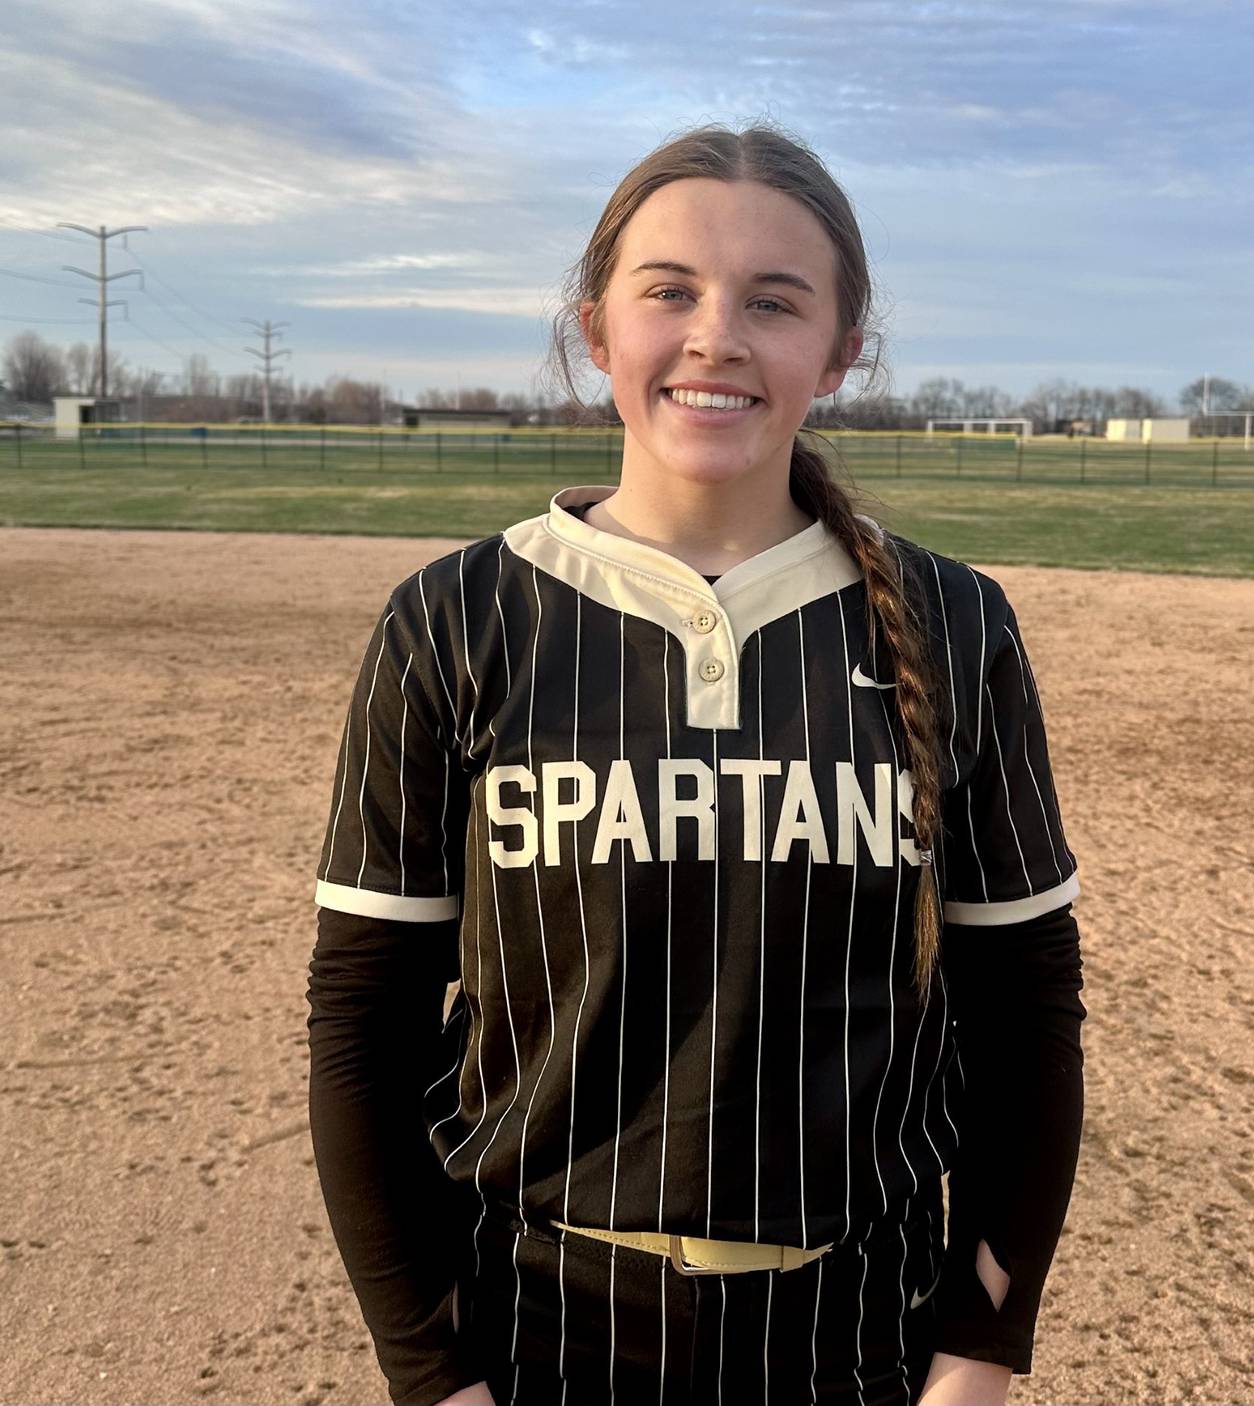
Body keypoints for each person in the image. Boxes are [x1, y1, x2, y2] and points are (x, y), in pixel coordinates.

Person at [306, 122, 1086, 1406]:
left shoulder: (956, 626)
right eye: (669, 290)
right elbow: (363, 1025)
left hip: (863, 1337)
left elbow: (1025, 1010)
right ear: (596, 327)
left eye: (774, 302)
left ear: (840, 351)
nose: (716, 334)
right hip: (538, 1334)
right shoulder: (456, 619)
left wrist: (983, 1346)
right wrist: (430, 1369)